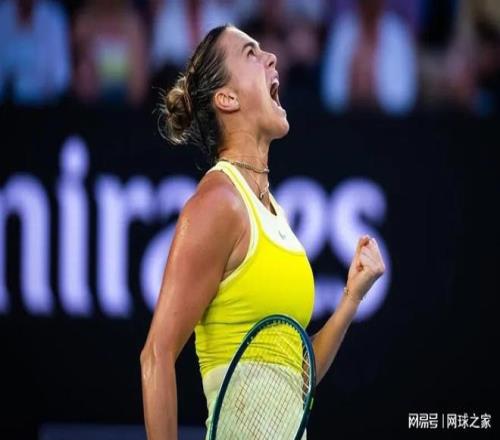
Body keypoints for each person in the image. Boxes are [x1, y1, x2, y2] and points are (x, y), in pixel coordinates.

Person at [140, 24, 385, 440]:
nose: (271, 57)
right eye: (251, 54)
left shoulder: (275, 215)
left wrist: (351, 299)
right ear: (227, 98)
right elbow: (156, 355)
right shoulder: (219, 203)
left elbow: (297, 377)